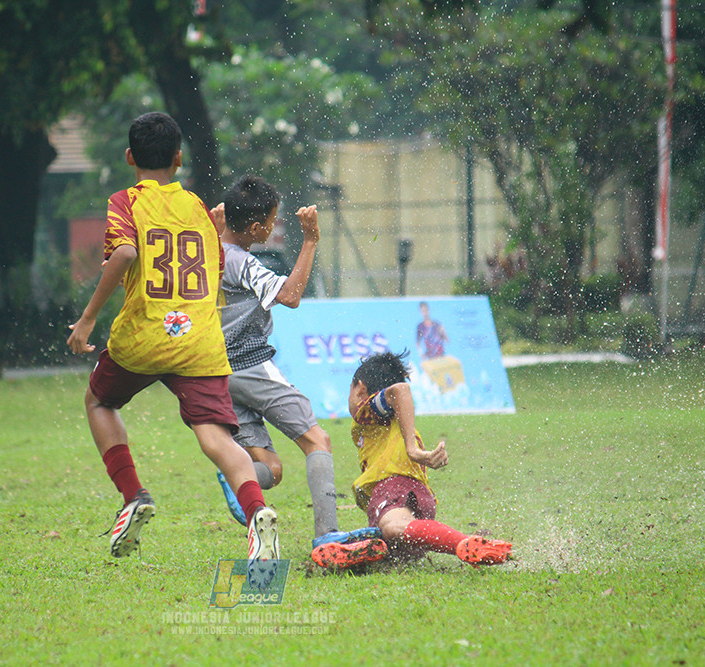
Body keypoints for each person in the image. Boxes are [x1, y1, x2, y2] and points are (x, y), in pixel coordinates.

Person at [66, 113, 279, 570]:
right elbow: (216, 263)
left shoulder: (125, 202)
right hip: (198, 341)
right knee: (217, 438)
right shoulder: (199, 207)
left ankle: (133, 496)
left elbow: (124, 252)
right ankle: (259, 512)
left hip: (144, 336)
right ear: (178, 159)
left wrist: (86, 320)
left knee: (99, 403)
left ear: (129, 158)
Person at [211, 174, 381, 570]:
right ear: (255, 228)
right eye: (271, 220)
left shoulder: (212, 254)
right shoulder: (242, 261)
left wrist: (217, 230)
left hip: (216, 374)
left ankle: (235, 474)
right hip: (251, 368)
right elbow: (289, 296)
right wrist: (310, 241)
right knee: (317, 440)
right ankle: (327, 536)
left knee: (271, 468)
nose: (273, 227)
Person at [312, 349, 512, 568]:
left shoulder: (365, 412)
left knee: (392, 528)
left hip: (392, 488)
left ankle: (464, 542)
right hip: (421, 498)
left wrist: (412, 449)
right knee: (396, 548)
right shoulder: (391, 417)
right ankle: (365, 549)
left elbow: (401, 390)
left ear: (360, 389)